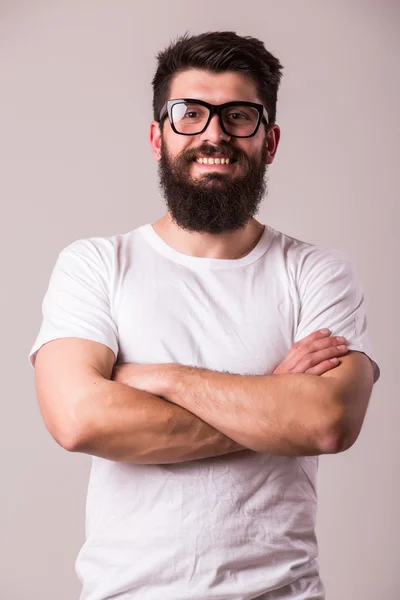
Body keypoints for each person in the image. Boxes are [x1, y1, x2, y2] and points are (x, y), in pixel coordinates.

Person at [29, 31, 380, 600]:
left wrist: (162, 379)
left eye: (239, 115)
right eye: (190, 113)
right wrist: (273, 399)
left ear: (270, 141)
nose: (214, 134)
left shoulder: (318, 274)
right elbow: (79, 420)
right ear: (156, 136)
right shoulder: (95, 265)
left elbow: (326, 422)